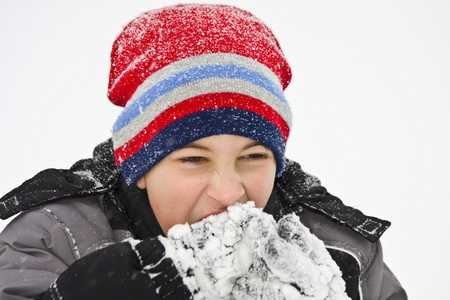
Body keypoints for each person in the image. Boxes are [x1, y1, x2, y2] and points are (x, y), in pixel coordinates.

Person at [0, 4, 407, 300]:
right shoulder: (52, 241)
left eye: (254, 156)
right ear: (139, 165)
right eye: (194, 159)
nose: (229, 193)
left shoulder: (341, 252)